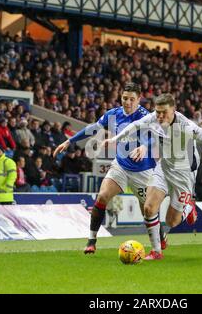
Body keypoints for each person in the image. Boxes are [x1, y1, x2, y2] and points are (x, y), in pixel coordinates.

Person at [103, 93, 202, 260]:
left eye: (163, 112)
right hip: (163, 168)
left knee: (172, 221)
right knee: (149, 208)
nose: (159, 116)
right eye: (157, 112)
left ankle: (188, 207)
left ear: (173, 110)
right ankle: (156, 251)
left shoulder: (186, 126)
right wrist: (114, 139)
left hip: (184, 174)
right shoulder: (154, 118)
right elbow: (135, 125)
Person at [53, 82, 166, 255]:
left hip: (143, 171)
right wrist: (70, 140)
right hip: (120, 165)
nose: (127, 102)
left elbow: (155, 137)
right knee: (102, 196)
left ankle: (160, 237)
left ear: (139, 99)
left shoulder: (147, 116)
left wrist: (144, 147)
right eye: (124, 98)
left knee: (149, 211)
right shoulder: (112, 115)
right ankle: (92, 240)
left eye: (131, 99)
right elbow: (92, 128)